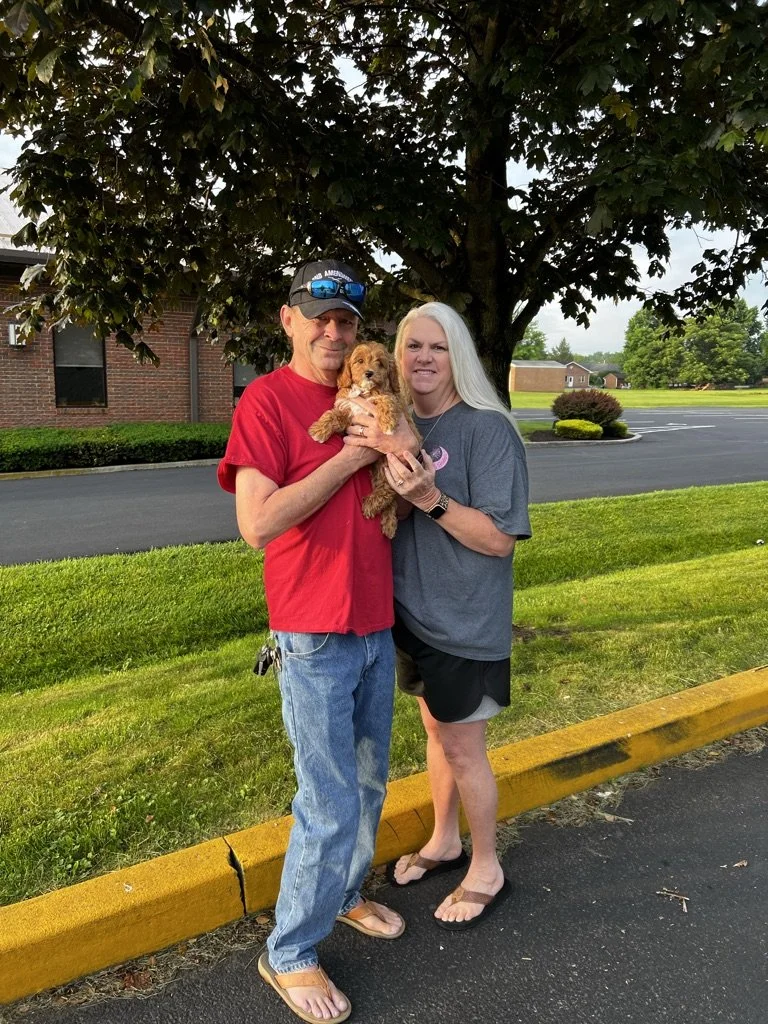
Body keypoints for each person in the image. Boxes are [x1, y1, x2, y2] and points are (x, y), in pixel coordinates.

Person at [217, 260, 418, 1023]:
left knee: (368, 783)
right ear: (289, 320)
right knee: (328, 796)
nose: (334, 333)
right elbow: (257, 524)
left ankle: (341, 894)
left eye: (347, 323)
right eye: (320, 317)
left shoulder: (373, 399)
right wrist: (353, 457)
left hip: (374, 621)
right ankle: (289, 951)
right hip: (311, 631)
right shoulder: (267, 403)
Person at [345, 301, 531, 931]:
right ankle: (445, 840)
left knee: (464, 745)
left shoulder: (486, 429)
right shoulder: (394, 425)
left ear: (459, 357)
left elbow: (500, 538)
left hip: (464, 619)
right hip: (410, 617)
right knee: (435, 732)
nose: (423, 359)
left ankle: (487, 866)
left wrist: (429, 498)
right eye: (412, 346)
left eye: (438, 348)